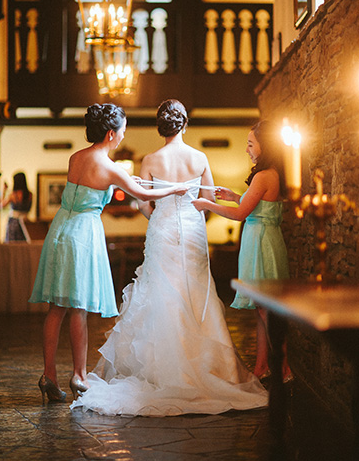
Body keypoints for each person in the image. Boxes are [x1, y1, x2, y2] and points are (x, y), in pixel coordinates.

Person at [70, 100, 268, 416]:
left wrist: (159, 216)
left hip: (162, 230)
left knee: (160, 291)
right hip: (192, 230)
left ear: (161, 127)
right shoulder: (199, 157)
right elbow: (207, 199)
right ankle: (205, 365)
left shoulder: (150, 159)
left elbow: (145, 204)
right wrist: (192, 215)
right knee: (195, 292)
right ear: (184, 124)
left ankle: (159, 368)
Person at [28, 103, 189, 403]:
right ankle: (79, 374)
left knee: (56, 307)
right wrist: (172, 189)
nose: (123, 135)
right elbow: (142, 195)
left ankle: (48, 374)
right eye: (123, 131)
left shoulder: (76, 157)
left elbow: (93, 184)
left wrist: (132, 181)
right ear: (112, 133)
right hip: (83, 234)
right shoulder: (110, 167)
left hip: (60, 229)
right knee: (79, 307)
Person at [192, 119, 292, 382]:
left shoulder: (263, 175)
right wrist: (235, 195)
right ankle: (262, 367)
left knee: (264, 309)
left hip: (260, 242)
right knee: (262, 308)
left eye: (250, 144)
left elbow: (240, 214)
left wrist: (207, 204)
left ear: (264, 145)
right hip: (264, 238)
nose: (247, 149)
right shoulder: (272, 174)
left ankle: (284, 367)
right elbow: (254, 206)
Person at [1, 171, 33, 242]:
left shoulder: (13, 195)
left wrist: (4, 191)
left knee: (12, 245)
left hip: (14, 222)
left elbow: (1, 205)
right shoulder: (30, 195)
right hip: (25, 223)